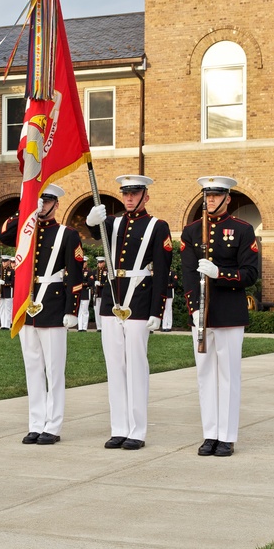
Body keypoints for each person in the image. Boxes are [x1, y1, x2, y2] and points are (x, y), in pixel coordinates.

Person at [86, 175, 173, 451]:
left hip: (139, 299)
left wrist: (157, 310)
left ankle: (136, 430)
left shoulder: (157, 226)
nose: (130, 198)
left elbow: (161, 270)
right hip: (112, 300)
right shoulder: (111, 223)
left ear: (145, 196)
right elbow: (93, 234)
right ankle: (119, 428)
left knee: (136, 366)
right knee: (114, 367)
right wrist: (92, 221)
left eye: (135, 193)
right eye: (126, 194)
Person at [180, 176, 259, 458]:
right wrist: (194, 308)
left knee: (227, 375)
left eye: (216, 195)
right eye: (207, 195)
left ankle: (226, 436)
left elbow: (250, 274)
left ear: (228, 198)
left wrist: (220, 274)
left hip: (228, 313)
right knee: (204, 374)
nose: (210, 200)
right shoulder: (190, 232)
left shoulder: (242, 230)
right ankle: (209, 434)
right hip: (202, 315)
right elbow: (187, 273)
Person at [0, 184, 83, 445]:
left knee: (54, 370)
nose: (42, 205)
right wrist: (24, 211)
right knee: (32, 367)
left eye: (46, 202)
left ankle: (53, 425)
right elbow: (4, 235)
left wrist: (72, 309)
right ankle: (36, 422)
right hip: (28, 306)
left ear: (56, 204)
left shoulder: (67, 234)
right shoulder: (27, 231)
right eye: (39, 201)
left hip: (54, 305)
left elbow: (75, 275)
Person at [77, 259, 94, 332]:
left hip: (86, 292)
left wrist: (82, 284)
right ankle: (80, 327)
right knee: (79, 311)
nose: (83, 264)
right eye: (82, 263)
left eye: (84, 263)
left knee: (85, 311)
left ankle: (84, 327)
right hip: (79, 293)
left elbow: (90, 282)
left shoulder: (89, 272)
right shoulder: (77, 271)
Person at [0, 255, 14, 329]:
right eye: (3, 262)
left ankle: (7, 324)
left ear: (8, 262)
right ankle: (3, 324)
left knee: (8, 309)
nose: (4, 263)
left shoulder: (11, 271)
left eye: (5, 262)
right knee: (1, 308)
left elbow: (13, 282)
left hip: (8, 292)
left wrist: (5, 283)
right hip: (1, 292)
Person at [93, 257, 108, 332]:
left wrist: (101, 284)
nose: (100, 264)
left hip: (103, 293)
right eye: (99, 263)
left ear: (104, 263)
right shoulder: (95, 271)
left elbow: (108, 282)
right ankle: (99, 327)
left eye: (101, 262)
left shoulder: (106, 271)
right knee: (96, 310)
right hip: (96, 293)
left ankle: (104, 326)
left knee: (103, 310)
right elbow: (91, 281)